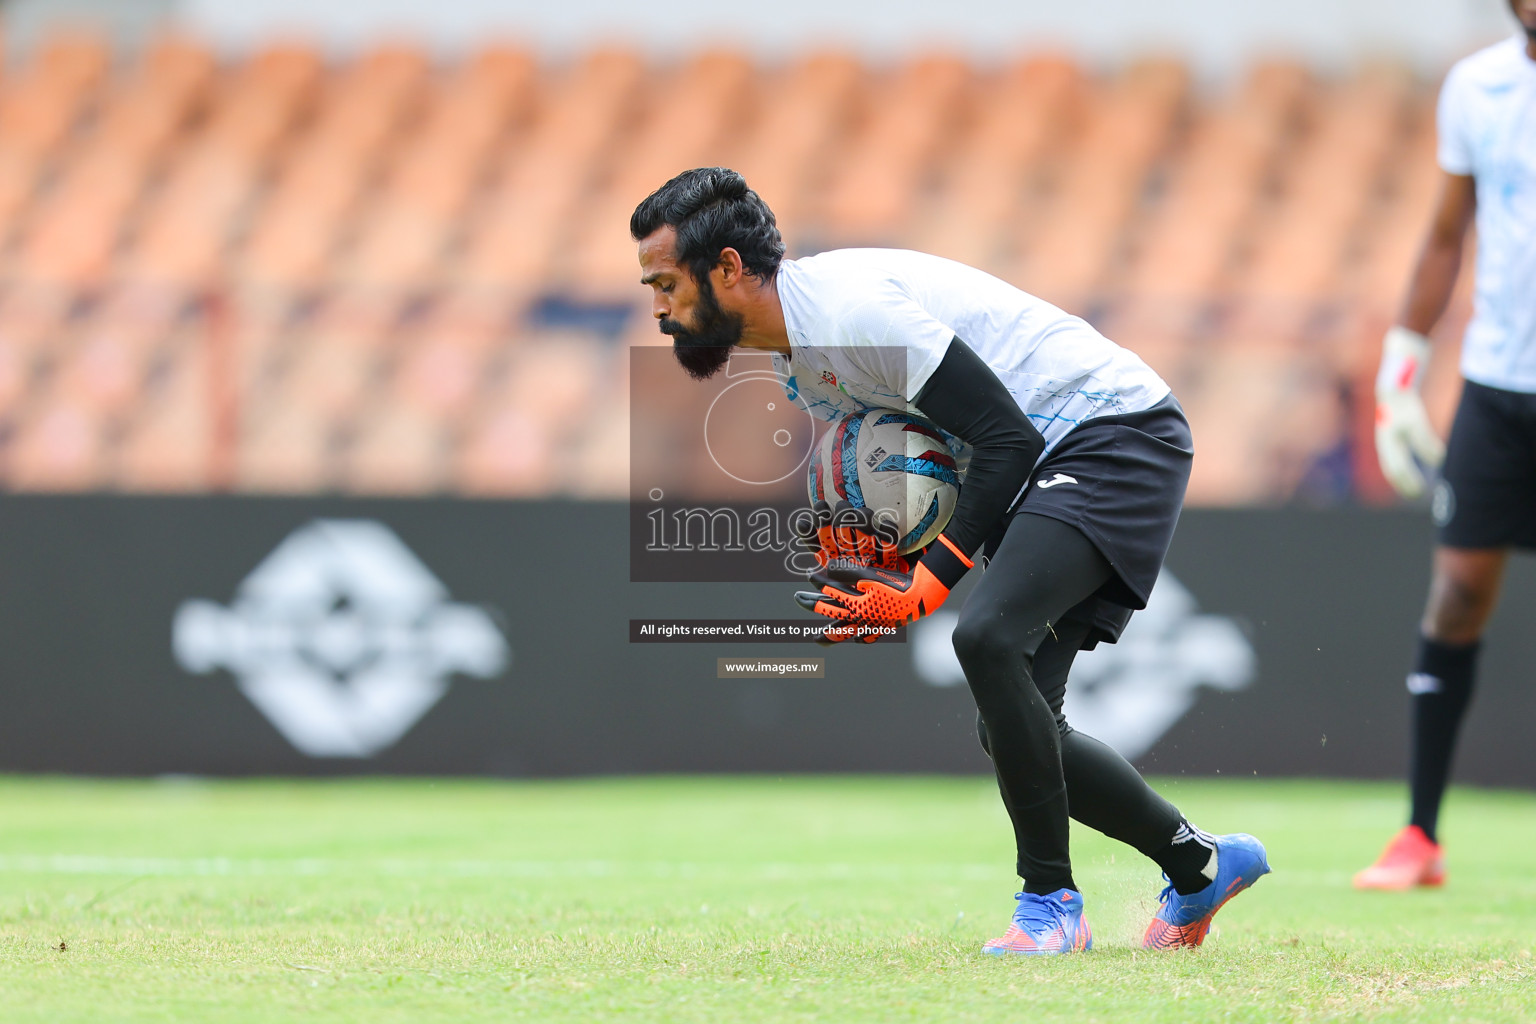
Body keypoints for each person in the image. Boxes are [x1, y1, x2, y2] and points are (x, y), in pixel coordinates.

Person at [632, 167, 1269, 955]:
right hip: (1046, 458)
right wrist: (866, 558)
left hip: (1111, 432)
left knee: (985, 638)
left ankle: (1051, 905)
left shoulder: (849, 313)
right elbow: (929, 461)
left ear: (727, 267)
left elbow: (1007, 438)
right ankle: (1199, 864)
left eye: (665, 283)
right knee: (1016, 717)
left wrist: (922, 587)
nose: (658, 308)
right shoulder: (798, 362)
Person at [1356, 1, 1536, 891]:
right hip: (1499, 391)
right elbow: (1445, 233)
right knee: (1459, 594)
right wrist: (1402, 369)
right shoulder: (1478, 85)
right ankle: (1420, 837)